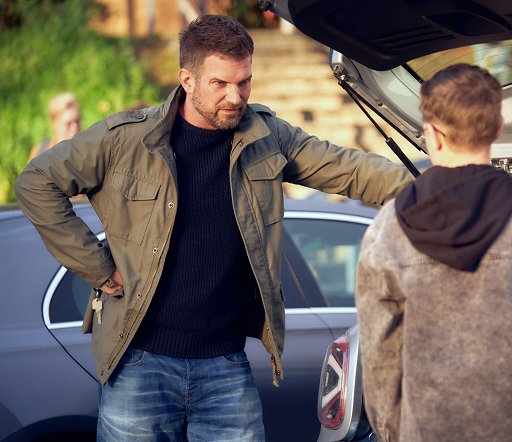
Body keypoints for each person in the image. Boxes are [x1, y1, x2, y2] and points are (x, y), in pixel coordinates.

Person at [14, 14, 411, 441]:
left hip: (226, 367)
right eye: (220, 84)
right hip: (139, 365)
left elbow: (349, 169)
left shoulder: (266, 136)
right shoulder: (125, 141)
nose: (235, 97)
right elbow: (36, 183)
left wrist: (444, 187)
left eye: (244, 82)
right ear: (187, 79)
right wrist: (97, 267)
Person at [355, 64, 512, 442]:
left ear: (431, 133)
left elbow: (380, 355)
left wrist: (392, 432)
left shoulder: (386, 231)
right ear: (498, 128)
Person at [29, 92, 81, 161]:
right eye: (68, 124)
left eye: (77, 121)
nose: (75, 128)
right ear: (54, 122)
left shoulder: (87, 150)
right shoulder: (38, 151)